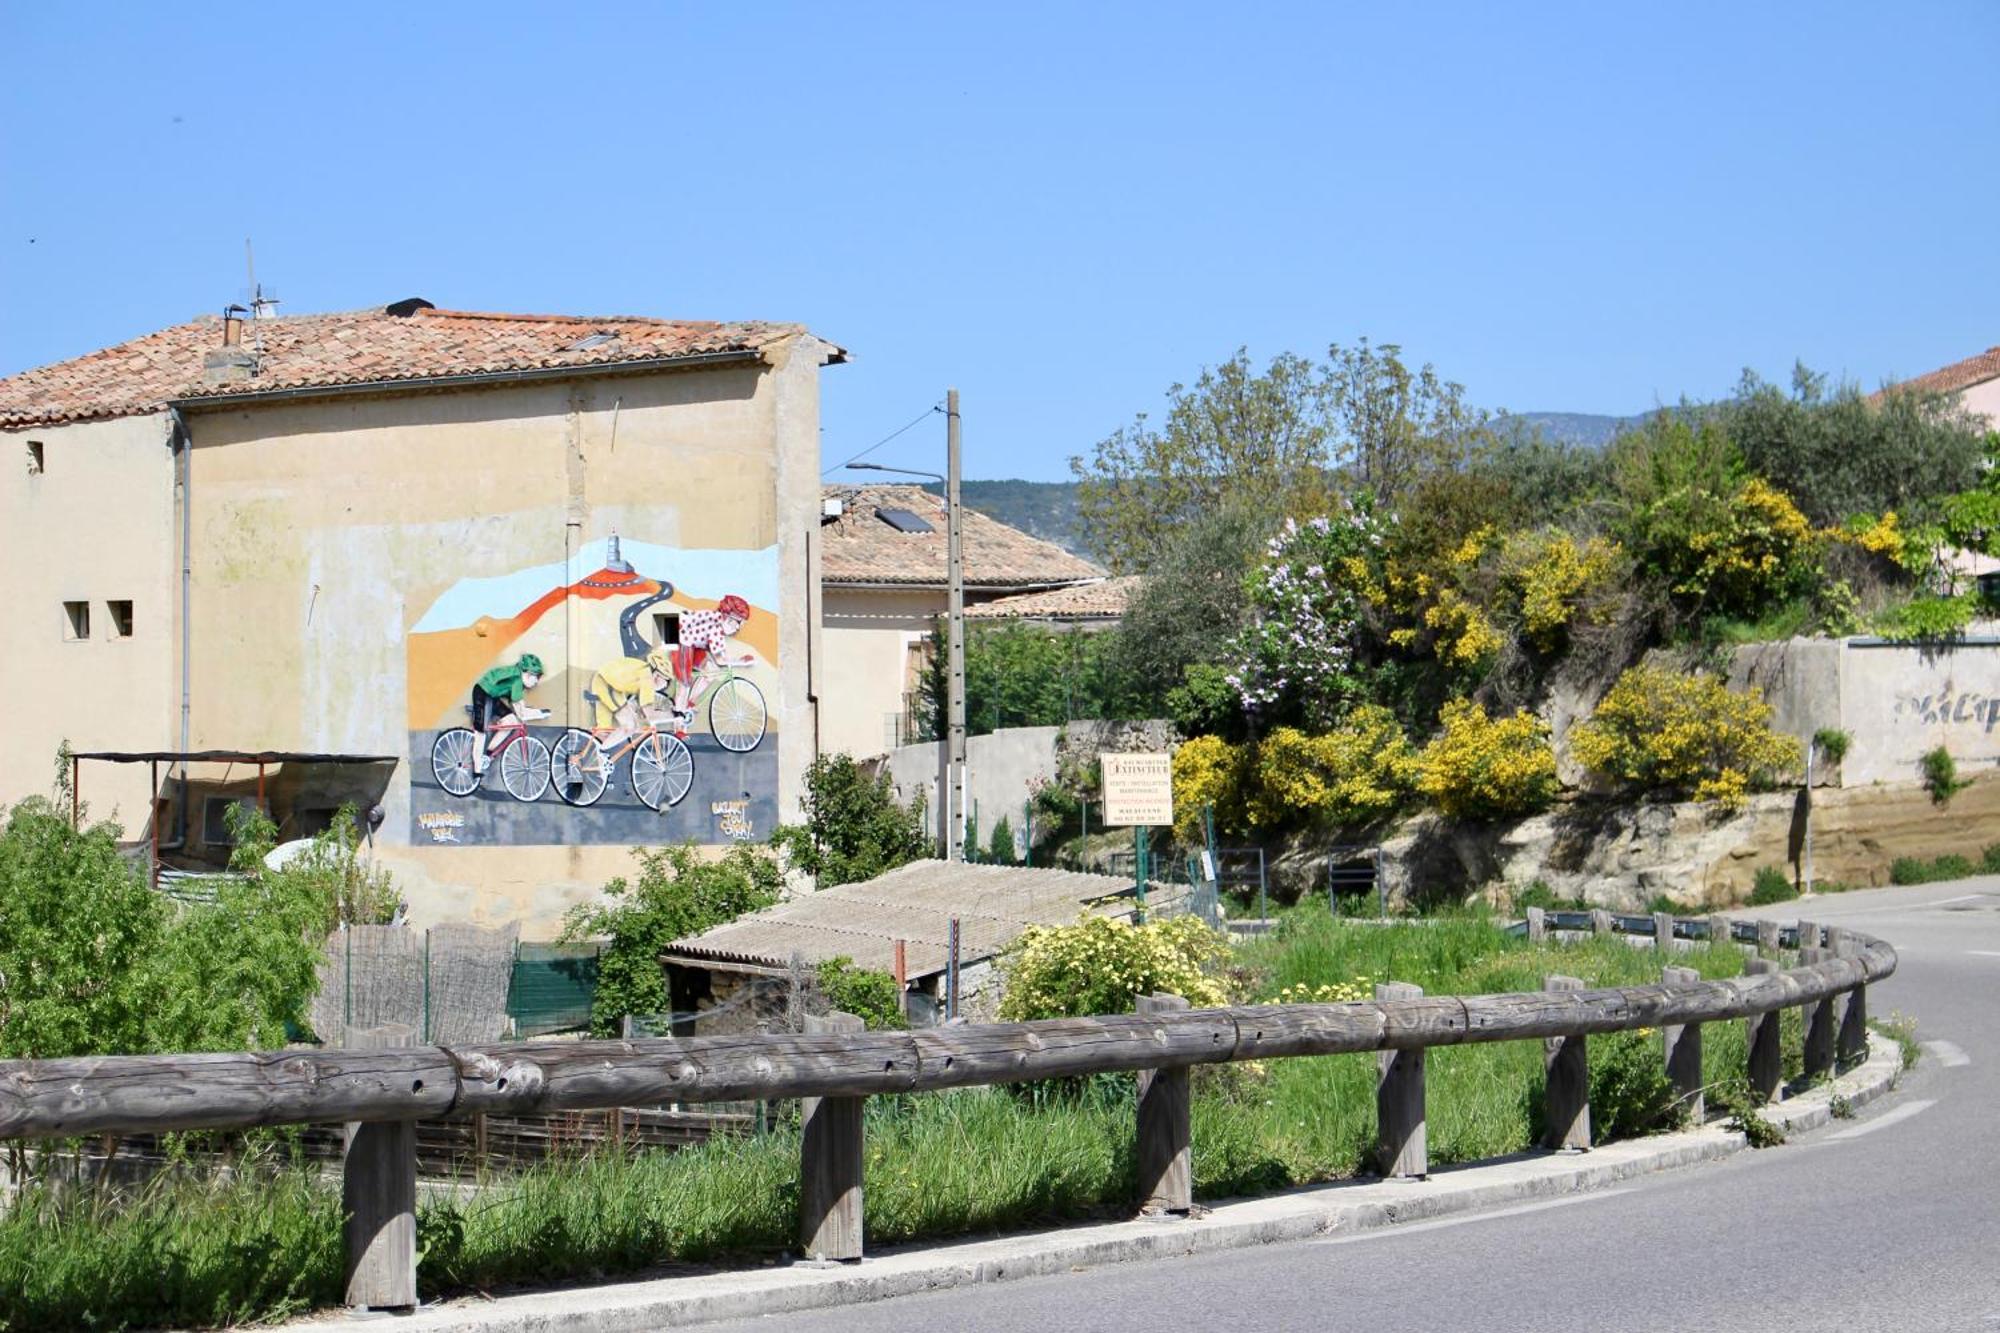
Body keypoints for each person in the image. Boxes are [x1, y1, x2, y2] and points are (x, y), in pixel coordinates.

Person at [670, 594, 755, 736]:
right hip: (678, 636)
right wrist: (742, 661)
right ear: (727, 617)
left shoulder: (717, 621)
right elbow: (721, 660)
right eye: (738, 623)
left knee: (711, 669)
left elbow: (718, 658)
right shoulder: (716, 628)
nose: (738, 628)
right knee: (683, 685)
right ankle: (679, 729)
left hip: (688, 637)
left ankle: (690, 703)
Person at [471, 653, 549, 775]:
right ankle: (477, 770)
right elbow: (522, 713)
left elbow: (518, 707)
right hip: (482, 691)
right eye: (536, 677)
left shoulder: (518, 678)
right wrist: (540, 713)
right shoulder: (517, 681)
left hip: (493, 694)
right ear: (528, 674)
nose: (537, 682)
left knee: (511, 722)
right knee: (480, 732)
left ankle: (487, 755)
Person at [588, 646, 675, 751]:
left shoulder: (646, 671)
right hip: (607, 684)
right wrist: (674, 715)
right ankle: (602, 751)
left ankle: (599, 761)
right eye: (665, 683)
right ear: (658, 676)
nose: (664, 687)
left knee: (604, 732)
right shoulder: (647, 679)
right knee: (629, 726)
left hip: (606, 680)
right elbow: (651, 715)